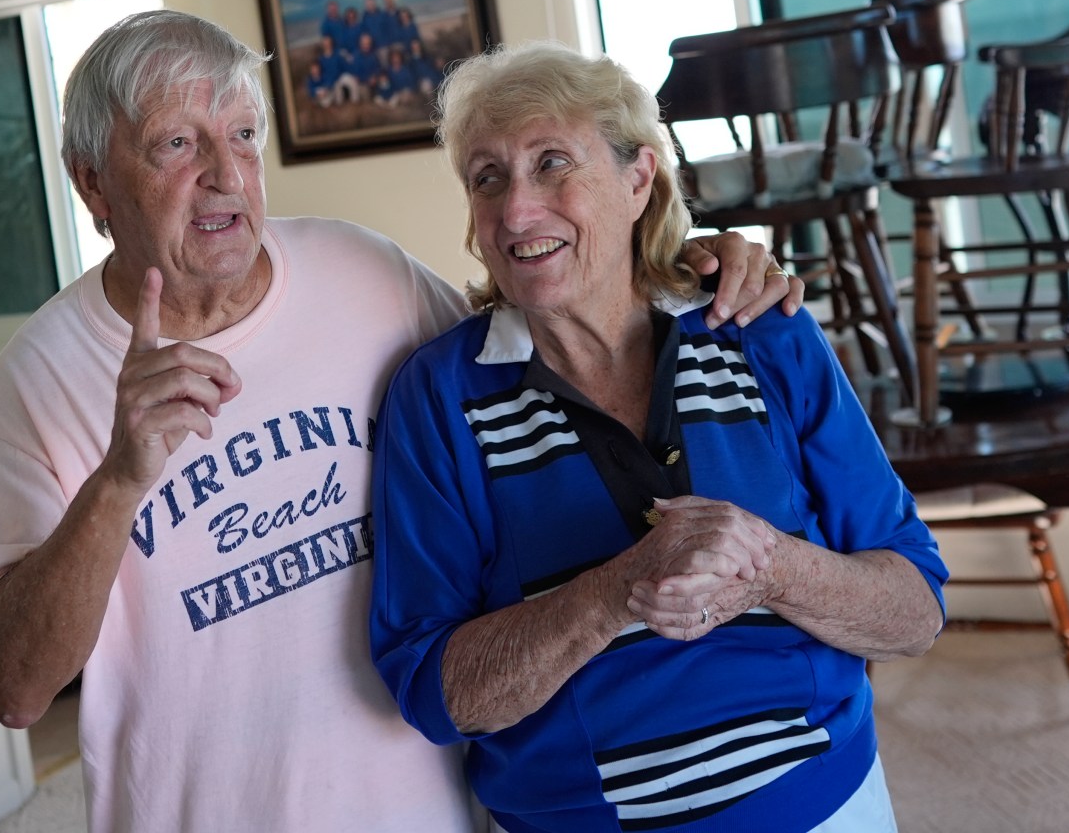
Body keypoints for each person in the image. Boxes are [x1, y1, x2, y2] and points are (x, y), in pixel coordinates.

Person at [0, 11, 802, 833]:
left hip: (430, 808)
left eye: (243, 136)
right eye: (177, 144)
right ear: (90, 179)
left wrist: (685, 262)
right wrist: (119, 482)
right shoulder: (41, 375)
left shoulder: (360, 271)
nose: (224, 175)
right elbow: (17, 691)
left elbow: (535, 325)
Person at [371, 43, 947, 833]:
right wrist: (617, 590)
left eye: (552, 164)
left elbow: (914, 611)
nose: (516, 211)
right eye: (487, 178)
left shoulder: (755, 330)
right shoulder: (439, 395)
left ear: (638, 179)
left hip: (819, 803)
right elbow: (438, 693)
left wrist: (768, 566)